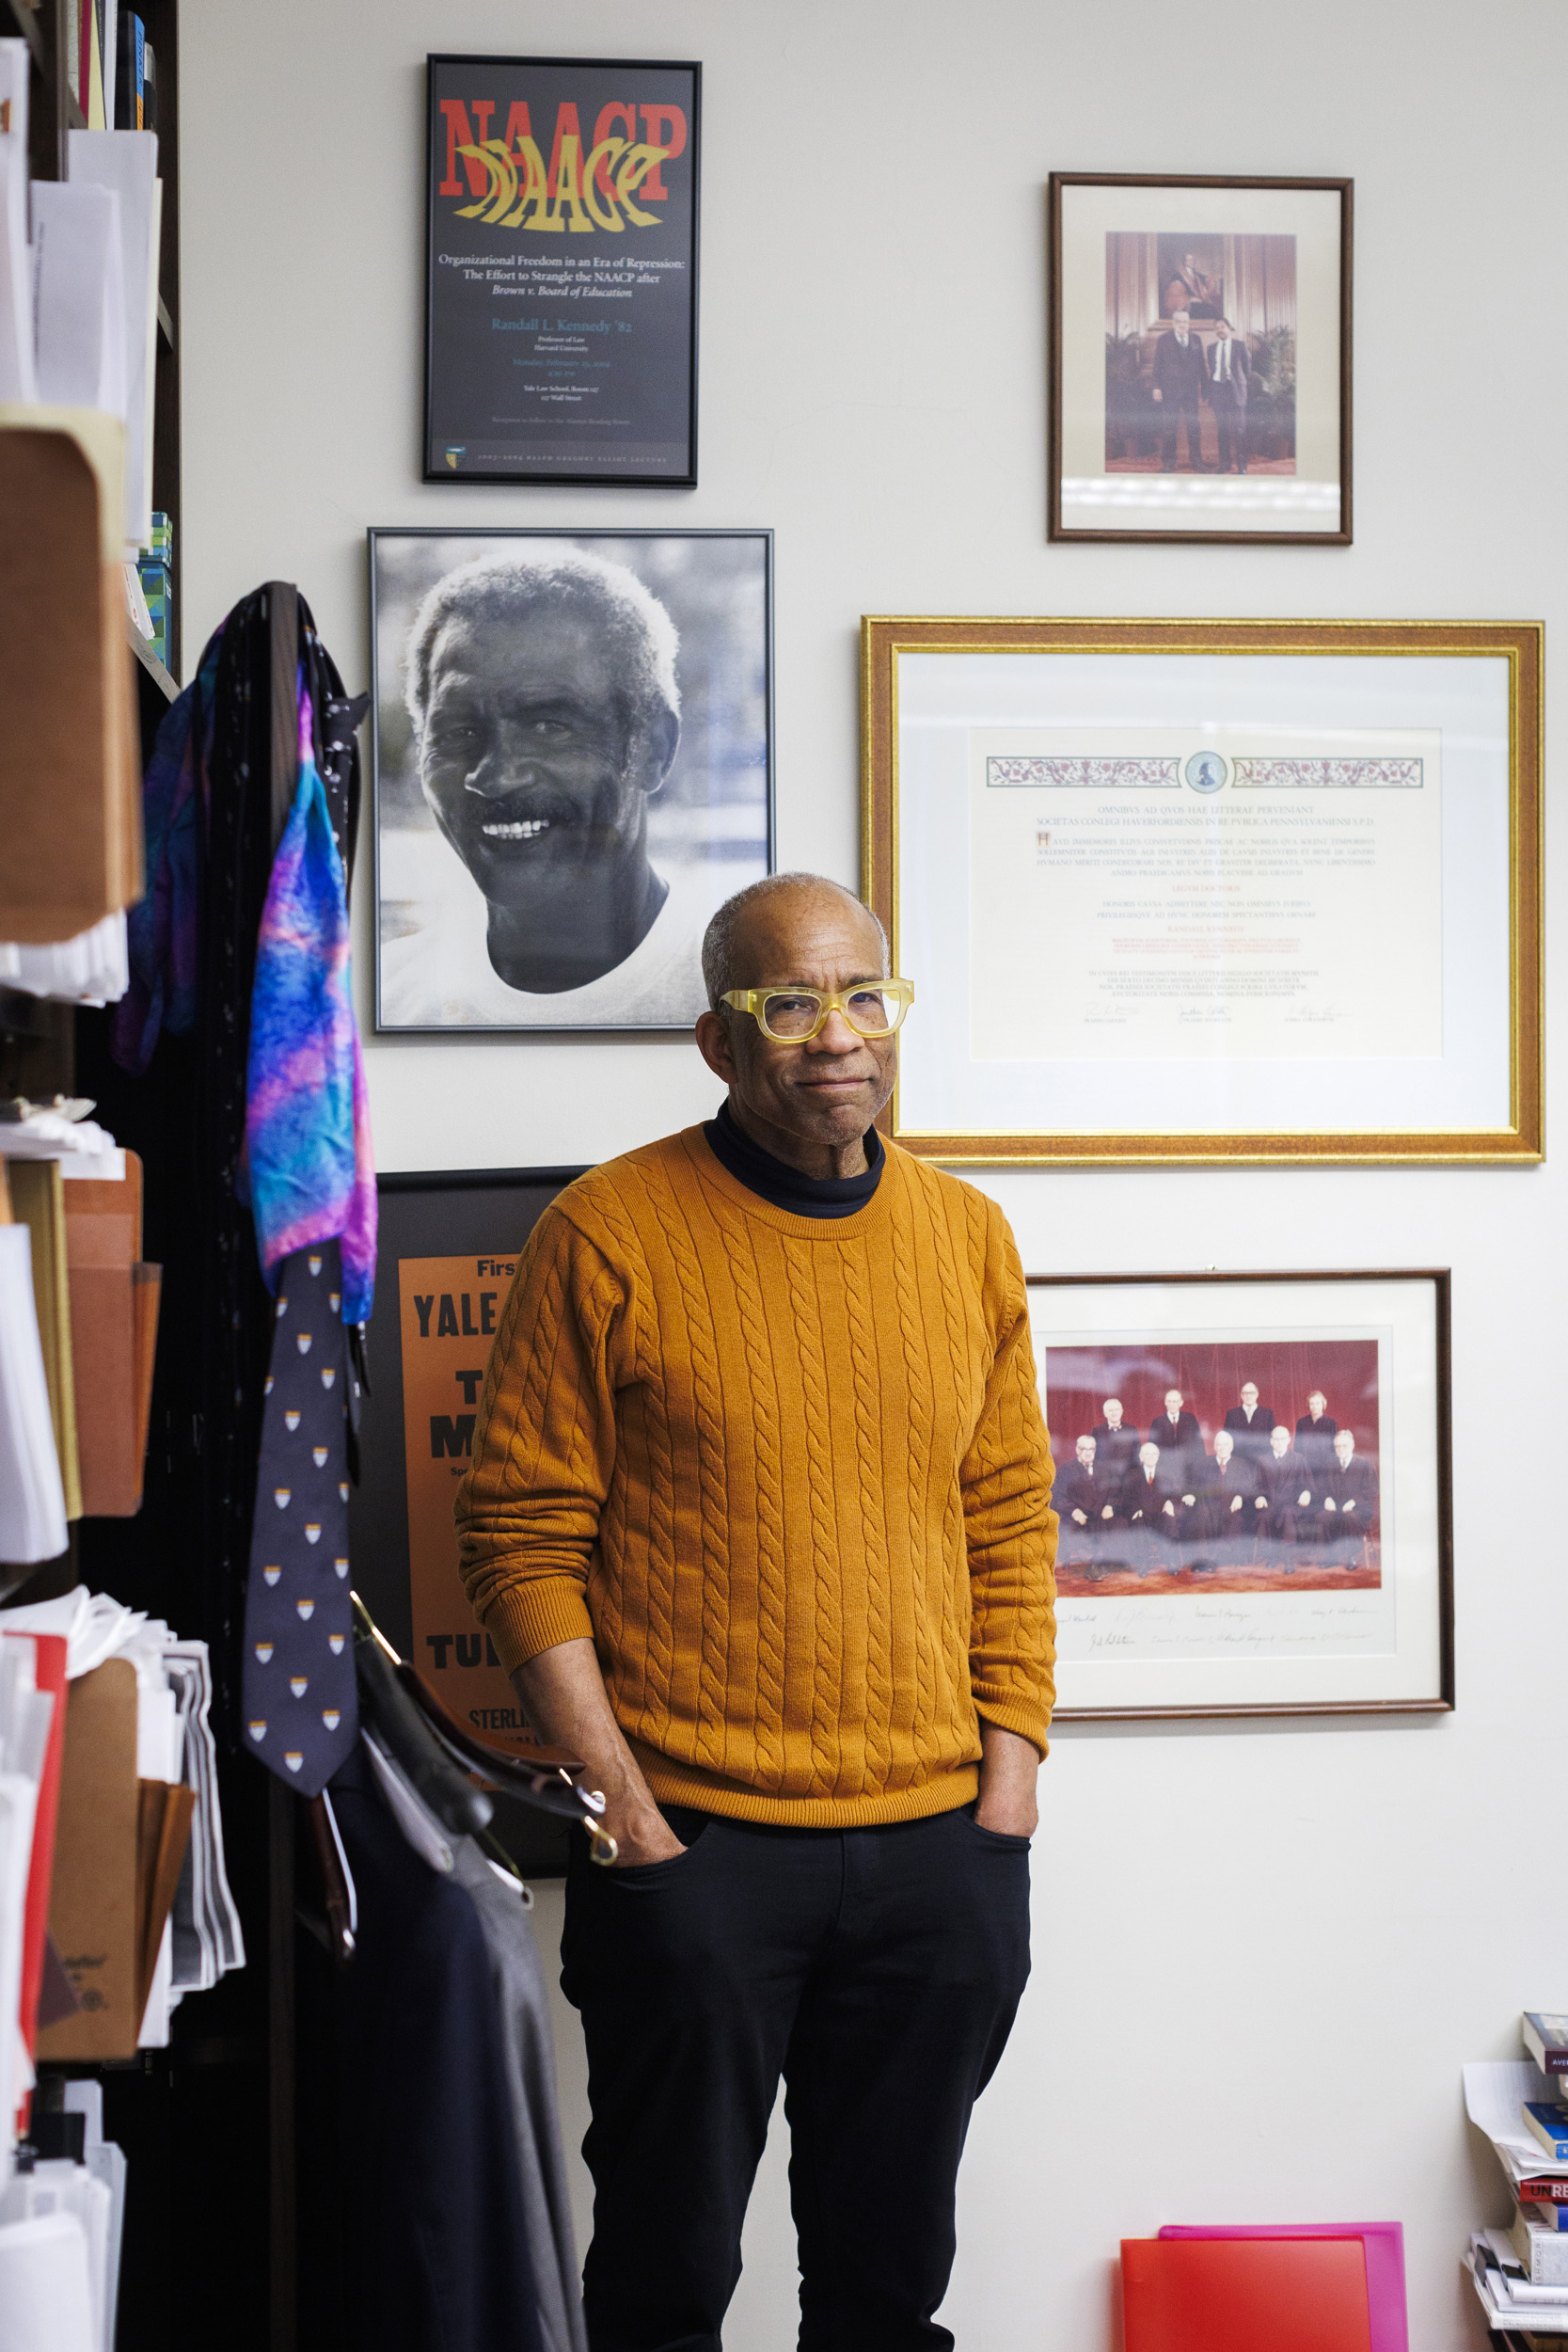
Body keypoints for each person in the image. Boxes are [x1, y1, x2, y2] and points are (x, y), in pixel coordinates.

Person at [454, 870, 1057, 2352]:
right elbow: (519, 1538)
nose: (835, 1035)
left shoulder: (966, 1239)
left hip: (936, 1860)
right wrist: (629, 1818)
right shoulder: (606, 1233)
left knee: (884, 2287)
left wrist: (1008, 1791)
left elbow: (1010, 1523)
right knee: (663, 2281)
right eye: (788, 1004)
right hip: (697, 1856)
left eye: (863, 995)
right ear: (719, 1042)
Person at [381, 546, 718, 1027]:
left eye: (549, 726)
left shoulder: (742, 1000)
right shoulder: (390, 1000)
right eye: (459, 733)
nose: (495, 776)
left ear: (653, 750)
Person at [1151, 312, 1211, 473]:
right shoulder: (1163, 339)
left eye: (1185, 322)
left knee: (1194, 428)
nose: (1182, 324)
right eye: (1179, 322)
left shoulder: (1196, 339)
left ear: (1189, 323)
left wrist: (1205, 389)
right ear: (1173, 323)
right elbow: (1157, 365)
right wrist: (1156, 387)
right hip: (1170, 392)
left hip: (1191, 392)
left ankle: (1197, 462)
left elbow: (1202, 367)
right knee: (1169, 428)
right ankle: (1169, 463)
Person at [1123, 1439, 1195, 1572]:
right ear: (1141, 1457)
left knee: (1169, 1519)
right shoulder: (1133, 1475)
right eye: (1147, 1454)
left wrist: (1172, 1502)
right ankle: (1143, 1563)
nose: (1151, 1457)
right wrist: (1135, 1509)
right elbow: (1126, 1497)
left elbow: (1174, 1493)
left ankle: (1171, 1561)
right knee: (1138, 1523)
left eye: (1154, 1454)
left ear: (1158, 1457)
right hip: (1142, 1514)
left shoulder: (1166, 1473)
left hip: (1160, 1514)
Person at [1057, 1434, 1119, 1579]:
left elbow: (1115, 1489)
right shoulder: (1066, 1469)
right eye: (1083, 1449)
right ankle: (1095, 1566)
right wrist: (1074, 1511)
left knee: (1118, 1524)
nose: (1087, 1452)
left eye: (1091, 1449)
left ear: (1095, 1450)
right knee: (1079, 1529)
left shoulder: (1104, 1468)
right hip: (1078, 1516)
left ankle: (1095, 1564)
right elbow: (1058, 1496)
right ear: (1077, 1450)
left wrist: (1110, 1505)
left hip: (1100, 1514)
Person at [1255, 1422, 1314, 1567]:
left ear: (1288, 1440)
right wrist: (1260, 1496)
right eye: (1276, 1439)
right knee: (1265, 1516)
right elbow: (1257, 1485)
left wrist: (1306, 1493)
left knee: (1288, 1514)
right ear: (1271, 1441)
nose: (1279, 1442)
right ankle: (1272, 1556)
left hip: (1292, 1503)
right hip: (1271, 1502)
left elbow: (1307, 1484)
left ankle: (1288, 1558)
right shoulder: (1262, 1460)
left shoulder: (1299, 1459)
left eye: (1283, 1439)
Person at [1196, 1429, 1257, 1570]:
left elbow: (1249, 1487)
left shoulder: (1241, 1464)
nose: (1222, 1448)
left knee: (1236, 1519)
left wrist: (1239, 1497)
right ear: (1215, 1447)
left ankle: (1223, 1558)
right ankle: (1208, 1559)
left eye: (1225, 1445)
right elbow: (1199, 1487)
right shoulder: (1206, 1463)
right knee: (1203, 1516)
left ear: (1231, 1446)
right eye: (1219, 1445)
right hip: (1211, 1506)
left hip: (1233, 1507)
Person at [1322, 1429, 1378, 1567]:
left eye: (1344, 1446)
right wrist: (1327, 1498)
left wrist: (1354, 1502)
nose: (1340, 1449)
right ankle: (1332, 1555)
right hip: (1336, 1507)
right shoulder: (1329, 1464)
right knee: (1322, 1516)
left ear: (1352, 1446)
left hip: (1358, 1509)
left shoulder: (1365, 1464)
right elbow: (1322, 1487)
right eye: (1337, 1446)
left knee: (1351, 1518)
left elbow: (1372, 1489)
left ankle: (1351, 1556)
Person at [1204, 318, 1251, 473]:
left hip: (1235, 391)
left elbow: (1246, 369)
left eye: (1222, 327)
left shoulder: (1240, 345)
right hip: (1218, 391)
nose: (1220, 330)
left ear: (1229, 328)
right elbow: (1212, 370)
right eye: (1217, 328)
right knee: (1222, 430)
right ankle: (1225, 465)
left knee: (1239, 430)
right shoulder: (1211, 348)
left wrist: (1238, 385)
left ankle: (1242, 467)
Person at [1147, 1388, 1201, 1478]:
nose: (1172, 1404)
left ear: (1181, 1403)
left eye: (1175, 1401)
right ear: (1165, 1403)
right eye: (1169, 1401)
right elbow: (1153, 1442)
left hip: (1186, 1459)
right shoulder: (1158, 1421)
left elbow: (1195, 1440)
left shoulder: (1190, 1419)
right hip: (1164, 1461)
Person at [1223, 1379, 1275, 1467]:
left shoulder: (1267, 1413)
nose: (1248, 1396)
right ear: (1241, 1395)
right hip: (1238, 1461)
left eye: (1251, 1393)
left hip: (1261, 1462)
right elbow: (1226, 1438)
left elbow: (1272, 1438)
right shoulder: (1232, 1414)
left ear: (1257, 1394)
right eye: (1245, 1393)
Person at [1090, 1397, 1141, 1482]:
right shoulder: (1097, 1431)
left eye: (1117, 1410)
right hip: (1105, 1477)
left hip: (1127, 1477)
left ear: (1121, 1411)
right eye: (1111, 1411)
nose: (1114, 1413)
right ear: (1105, 1413)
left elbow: (1136, 1453)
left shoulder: (1131, 1429)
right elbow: (1096, 1456)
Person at [1296, 1391, 1338, 1474]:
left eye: (1317, 1403)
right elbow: (1298, 1446)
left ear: (1323, 1404)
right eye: (1312, 1403)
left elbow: (1335, 1447)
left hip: (1325, 1465)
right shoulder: (1301, 1422)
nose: (1315, 1406)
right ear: (1308, 1405)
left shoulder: (1331, 1423)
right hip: (1306, 1464)